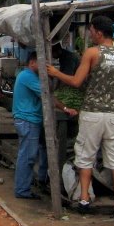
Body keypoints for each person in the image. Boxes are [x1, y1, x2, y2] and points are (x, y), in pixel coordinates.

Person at [47, 15, 114, 221]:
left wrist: (55, 73)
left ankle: (84, 199)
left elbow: (77, 82)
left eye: (92, 30)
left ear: (99, 32)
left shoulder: (92, 53)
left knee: (85, 156)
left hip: (92, 114)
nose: (90, 34)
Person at [13, 52, 77, 200]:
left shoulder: (28, 75)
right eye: (42, 62)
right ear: (32, 62)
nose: (46, 66)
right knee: (28, 156)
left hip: (30, 120)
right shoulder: (28, 76)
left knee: (40, 150)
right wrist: (65, 108)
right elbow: (47, 94)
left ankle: (40, 180)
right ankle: (22, 189)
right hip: (28, 121)